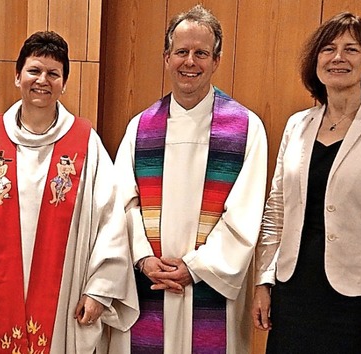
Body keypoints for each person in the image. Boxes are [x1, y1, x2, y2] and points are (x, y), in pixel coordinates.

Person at [0, 31, 139, 354]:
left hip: (65, 305)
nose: (43, 80)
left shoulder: (86, 143)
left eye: (53, 73)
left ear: (64, 83)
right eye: (34, 71)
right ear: (17, 76)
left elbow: (111, 222)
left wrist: (100, 290)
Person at [252, 12, 361, 354]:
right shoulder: (297, 125)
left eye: (352, 49)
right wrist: (264, 281)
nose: (338, 57)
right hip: (293, 292)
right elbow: (276, 211)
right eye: (328, 49)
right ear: (316, 62)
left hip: (357, 302)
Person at [114, 5, 268, 354]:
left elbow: (243, 216)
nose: (190, 62)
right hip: (148, 284)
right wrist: (143, 259)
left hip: (210, 289)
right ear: (167, 57)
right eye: (181, 52)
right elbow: (123, 203)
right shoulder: (140, 128)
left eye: (201, 53)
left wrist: (196, 268)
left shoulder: (246, 128)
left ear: (216, 60)